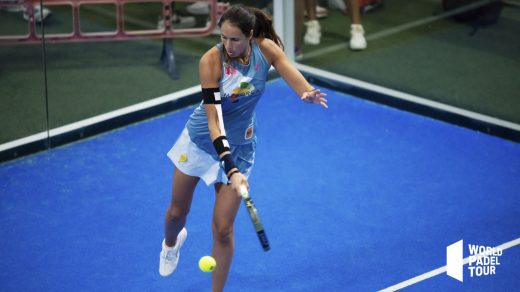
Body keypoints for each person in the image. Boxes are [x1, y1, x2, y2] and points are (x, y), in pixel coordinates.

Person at [159, 4, 327, 291]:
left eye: (234, 39)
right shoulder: (210, 61)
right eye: (223, 37)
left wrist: (306, 92)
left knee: (223, 230)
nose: (228, 45)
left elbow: (290, 73)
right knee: (176, 213)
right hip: (201, 141)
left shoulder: (266, 49)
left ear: (250, 35)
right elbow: (214, 122)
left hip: (241, 145)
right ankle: (171, 244)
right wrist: (231, 168)